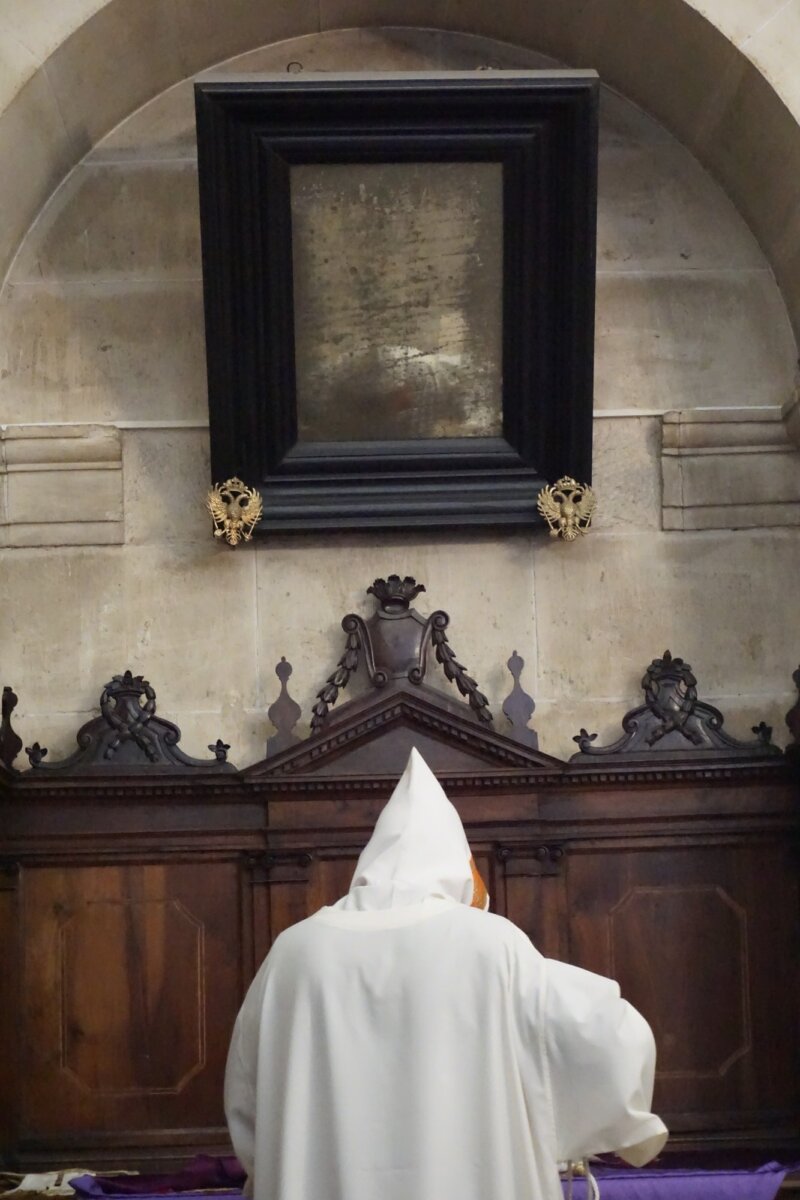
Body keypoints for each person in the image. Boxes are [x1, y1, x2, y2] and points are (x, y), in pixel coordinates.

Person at [225, 747, 668, 1200]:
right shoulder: (494, 947)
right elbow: (614, 1037)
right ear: (458, 865)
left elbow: (247, 1096)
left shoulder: (295, 953)